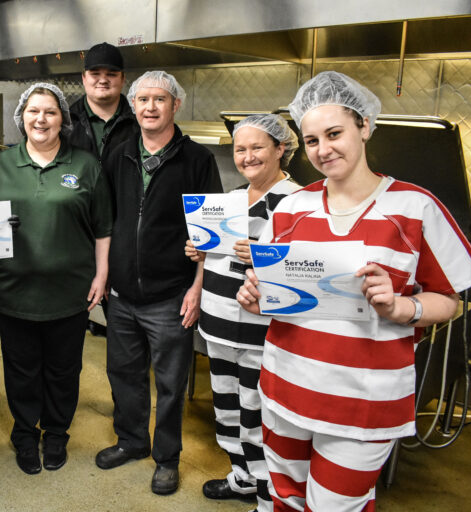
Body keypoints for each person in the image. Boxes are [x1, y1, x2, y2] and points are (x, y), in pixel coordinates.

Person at [237, 71, 471, 511]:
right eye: (312, 140)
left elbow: (450, 301)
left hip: (363, 402)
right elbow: (274, 294)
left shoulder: (414, 207)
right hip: (285, 388)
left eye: (334, 134)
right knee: (284, 499)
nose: (323, 150)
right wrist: (255, 298)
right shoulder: (292, 208)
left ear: (364, 126)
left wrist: (403, 307)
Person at [96, 70, 222, 495]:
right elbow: (105, 221)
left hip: (171, 296)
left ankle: (167, 458)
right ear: (133, 106)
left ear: (175, 105)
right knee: (123, 375)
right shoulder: (118, 155)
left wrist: (197, 287)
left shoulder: (197, 160)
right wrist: (104, 275)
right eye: (143, 99)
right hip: (122, 295)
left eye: (160, 99)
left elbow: (210, 236)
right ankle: (131, 441)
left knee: (170, 384)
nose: (150, 107)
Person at [0, 83, 112, 475]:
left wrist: (101, 275)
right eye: (33, 111)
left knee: (63, 370)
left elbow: (103, 227)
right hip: (13, 290)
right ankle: (25, 434)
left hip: (70, 291)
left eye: (50, 112)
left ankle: (56, 433)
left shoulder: (85, 165)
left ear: (63, 119)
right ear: (22, 117)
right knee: (20, 369)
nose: (41, 119)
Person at [185, 114, 300, 512]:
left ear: (280, 149)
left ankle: (270, 499)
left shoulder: (299, 203)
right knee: (227, 409)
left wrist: (265, 258)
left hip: (261, 333)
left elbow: (306, 268)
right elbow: (214, 255)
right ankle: (244, 478)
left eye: (257, 148)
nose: (247, 156)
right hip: (218, 324)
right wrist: (199, 250)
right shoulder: (231, 199)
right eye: (240, 149)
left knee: (259, 417)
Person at [68, 41, 139, 337]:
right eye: (95, 73)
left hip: (127, 243)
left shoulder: (140, 121)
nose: (103, 79)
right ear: (84, 78)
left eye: (111, 73)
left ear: (122, 79)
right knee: (67, 330)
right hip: (74, 242)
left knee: (125, 336)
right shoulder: (64, 122)